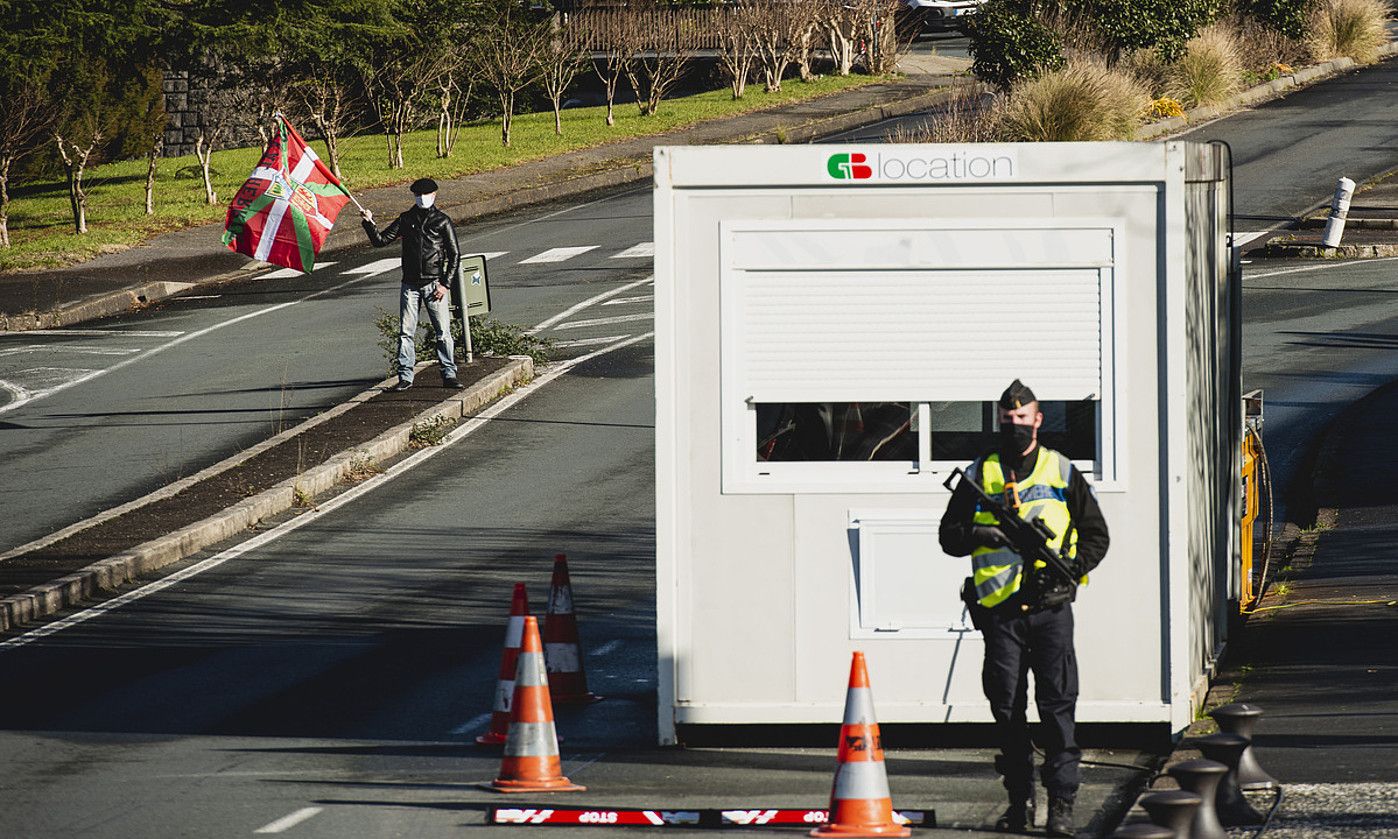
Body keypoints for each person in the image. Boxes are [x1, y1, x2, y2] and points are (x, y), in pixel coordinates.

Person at [938, 379, 1110, 837]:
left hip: (1051, 610)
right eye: (1007, 419)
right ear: (1001, 420)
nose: (1015, 425)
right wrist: (982, 535)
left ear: (1038, 419)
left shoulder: (1061, 470)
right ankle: (1019, 803)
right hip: (999, 612)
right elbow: (948, 536)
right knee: (1008, 710)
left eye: (1022, 417)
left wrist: (1069, 571)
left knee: (1057, 710)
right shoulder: (982, 473)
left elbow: (1097, 537)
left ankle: (1061, 807)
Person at [360, 177, 463, 391]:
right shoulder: (406, 219)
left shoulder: (442, 221)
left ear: (434, 196)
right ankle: (405, 376)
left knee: (443, 331)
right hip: (410, 284)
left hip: (435, 284)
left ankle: (449, 374)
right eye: (417, 195)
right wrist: (369, 222)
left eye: (425, 195)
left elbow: (455, 255)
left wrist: (445, 284)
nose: (421, 198)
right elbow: (381, 240)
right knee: (406, 332)